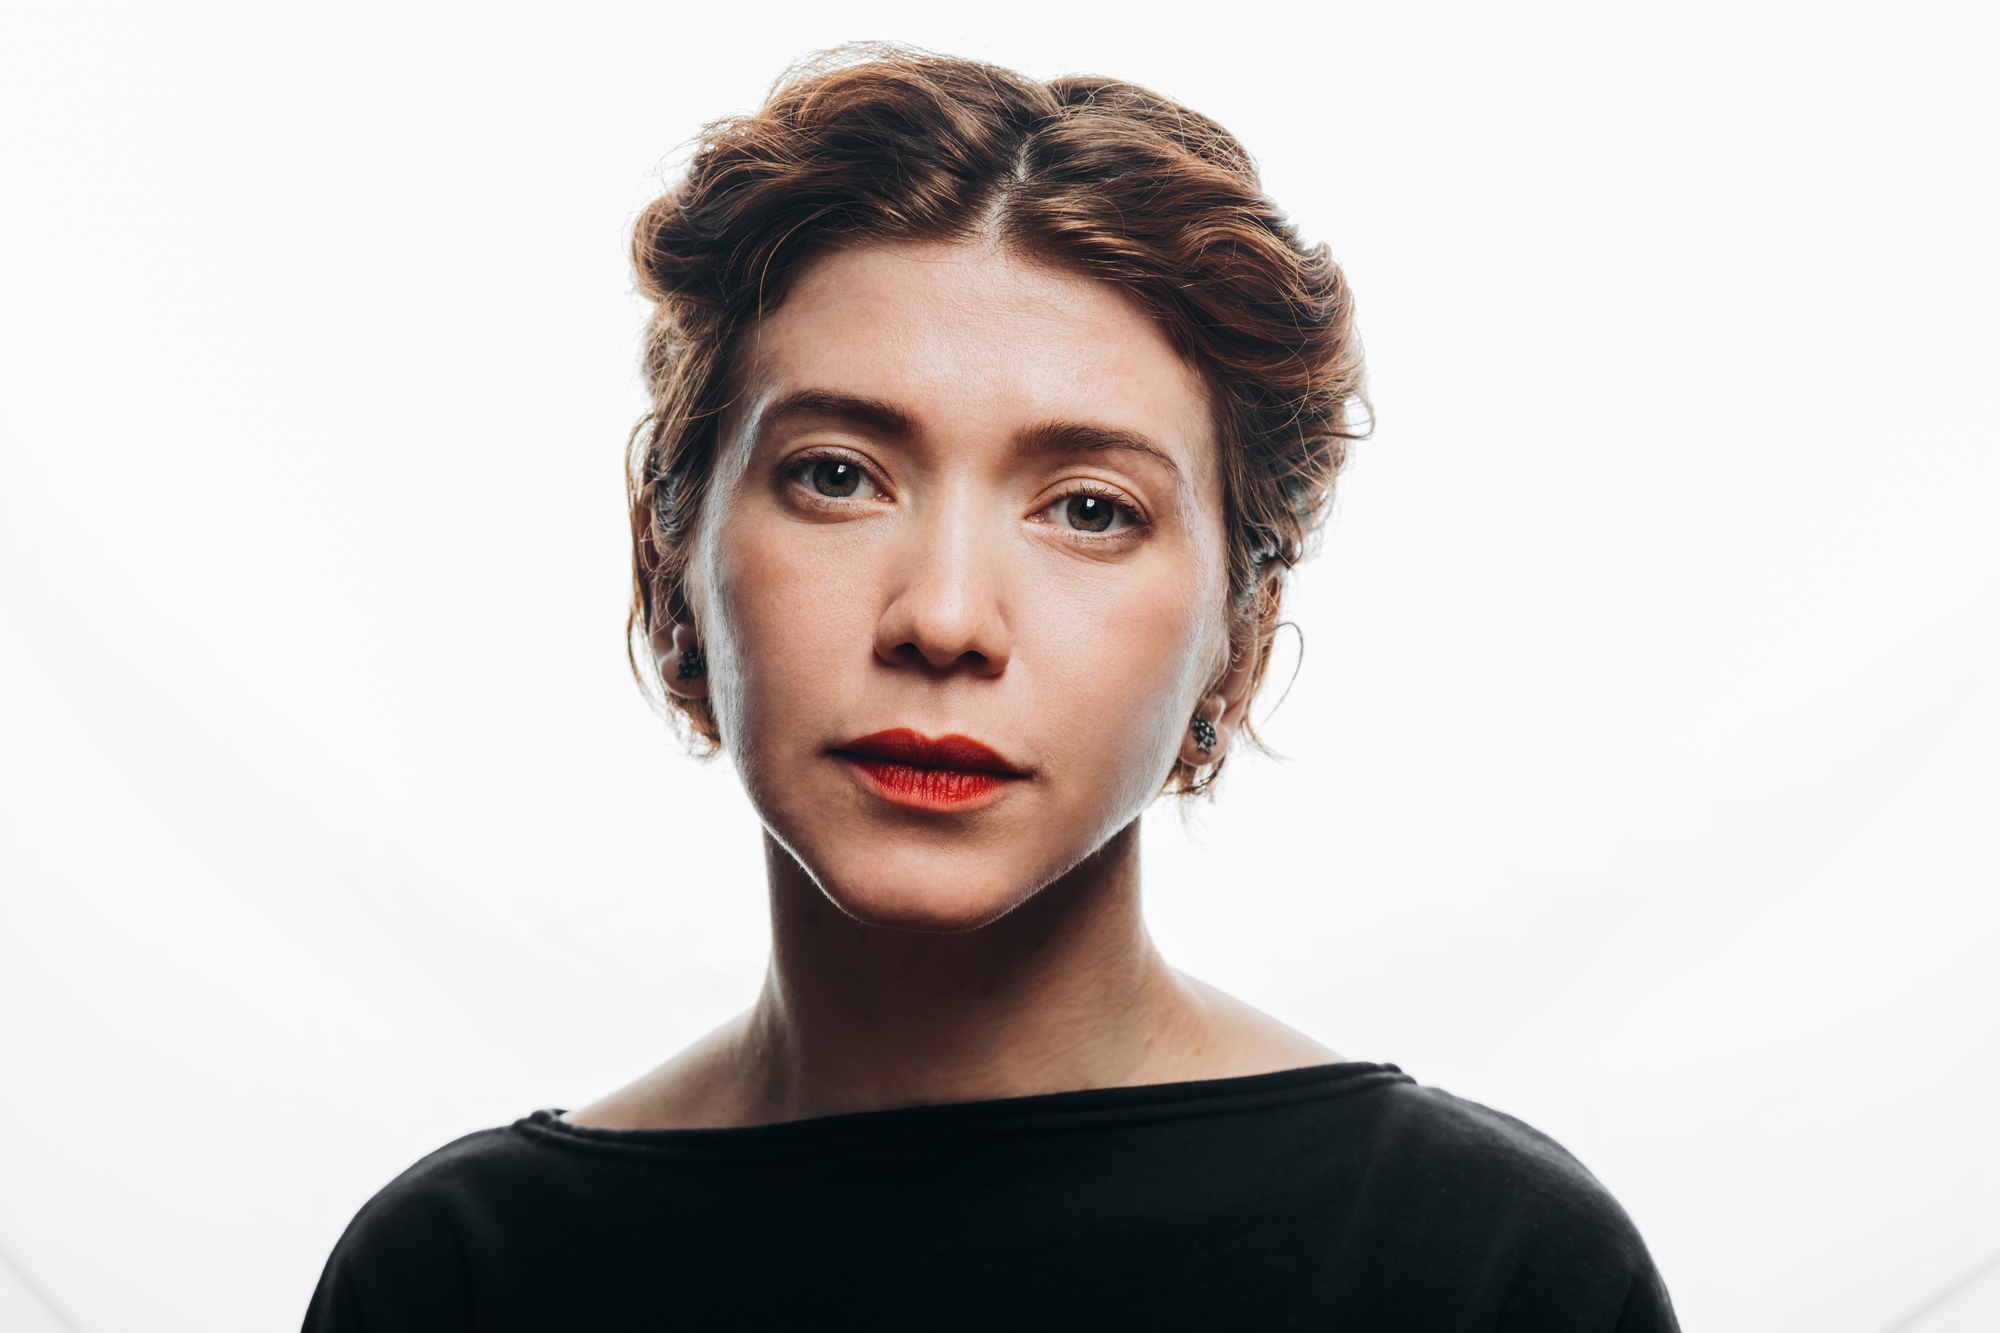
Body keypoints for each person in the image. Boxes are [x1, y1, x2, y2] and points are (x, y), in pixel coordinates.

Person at [305, 45, 1678, 1332]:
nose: (946, 617)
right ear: (670, 559)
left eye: (1088, 507)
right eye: (836, 474)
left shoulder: (1488, 1270)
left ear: (1240, 631)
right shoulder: (462, 1279)